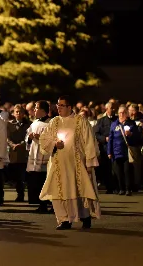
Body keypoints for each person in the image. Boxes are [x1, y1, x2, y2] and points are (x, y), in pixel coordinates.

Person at [39, 95, 101, 230]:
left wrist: (90, 163)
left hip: (76, 164)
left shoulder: (80, 121)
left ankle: (85, 216)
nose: (58, 108)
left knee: (78, 191)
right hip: (57, 164)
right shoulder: (54, 122)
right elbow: (44, 140)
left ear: (69, 107)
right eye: (57, 105)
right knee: (58, 192)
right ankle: (64, 219)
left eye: (61, 105)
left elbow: (89, 142)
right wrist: (55, 144)